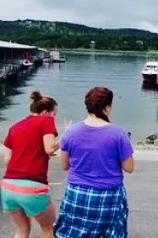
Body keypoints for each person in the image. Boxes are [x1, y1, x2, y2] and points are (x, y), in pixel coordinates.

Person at [54, 86, 134, 238]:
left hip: (77, 194)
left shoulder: (71, 132)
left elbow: (64, 166)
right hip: (108, 196)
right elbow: (129, 167)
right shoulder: (118, 133)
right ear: (107, 108)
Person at [1, 90, 59, 238]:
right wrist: (67, 137)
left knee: (21, 231)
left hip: (8, 187)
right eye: (54, 114)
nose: (54, 118)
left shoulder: (15, 127)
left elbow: (8, 160)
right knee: (47, 230)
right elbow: (50, 148)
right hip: (32, 188)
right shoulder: (46, 120)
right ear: (46, 112)